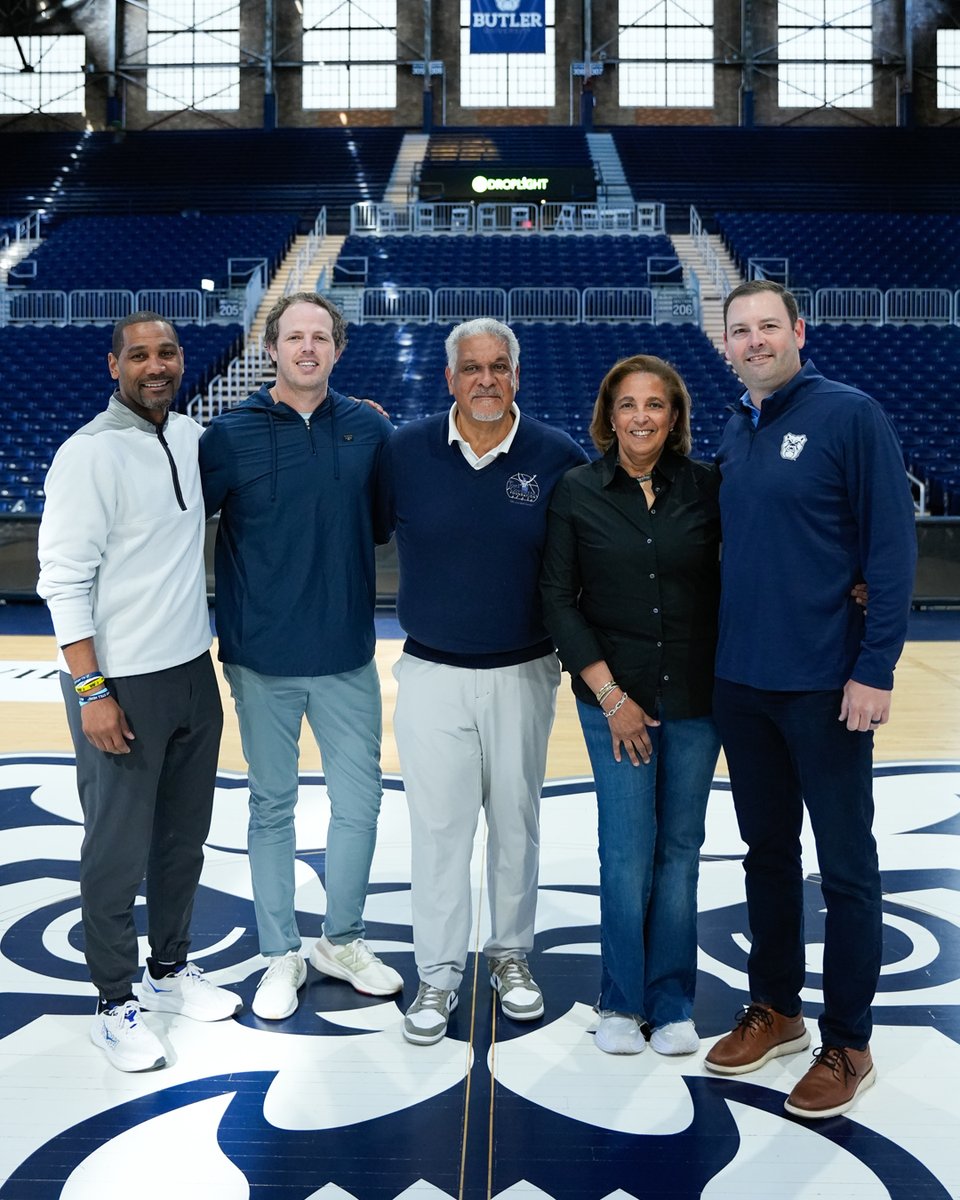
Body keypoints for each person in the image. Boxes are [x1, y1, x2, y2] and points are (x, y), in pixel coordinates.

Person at [703, 280, 917, 1119]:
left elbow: (892, 550)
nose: (755, 341)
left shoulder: (849, 414)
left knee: (848, 868)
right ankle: (779, 1008)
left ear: (798, 330)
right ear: (725, 347)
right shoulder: (735, 425)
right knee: (765, 857)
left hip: (827, 686)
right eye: (739, 331)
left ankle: (850, 1041)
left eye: (768, 327)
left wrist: (877, 666)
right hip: (741, 683)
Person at [37, 311, 241, 1073]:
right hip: (118, 682)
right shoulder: (86, 456)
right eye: (141, 355)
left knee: (183, 839)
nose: (157, 366)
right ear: (114, 365)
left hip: (192, 670)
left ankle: (169, 970)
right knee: (116, 850)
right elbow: (59, 579)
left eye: (168, 353)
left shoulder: (189, 438)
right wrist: (91, 689)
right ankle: (112, 1001)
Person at [381, 318, 589, 1046]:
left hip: (525, 671)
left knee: (515, 826)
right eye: (471, 368)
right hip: (431, 672)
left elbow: (593, 553)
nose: (485, 380)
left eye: (499, 367)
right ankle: (438, 974)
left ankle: (509, 955)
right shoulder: (403, 451)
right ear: (450, 378)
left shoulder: (556, 456)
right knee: (438, 832)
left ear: (517, 375)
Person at [198, 292, 402, 1021]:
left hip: (348, 653)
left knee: (360, 806)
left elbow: (380, 527)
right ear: (273, 348)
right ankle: (280, 951)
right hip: (260, 659)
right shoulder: (226, 435)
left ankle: (340, 939)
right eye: (294, 337)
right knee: (272, 806)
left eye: (321, 337)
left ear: (337, 350)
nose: (308, 348)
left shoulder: (369, 430)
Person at [540, 355, 721, 1058]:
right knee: (625, 853)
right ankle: (619, 1000)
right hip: (612, 701)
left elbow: (763, 555)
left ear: (674, 417)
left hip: (698, 700)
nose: (641, 417)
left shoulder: (708, 487)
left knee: (679, 852)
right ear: (607, 415)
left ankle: (672, 1001)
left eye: (656, 405)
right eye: (628, 405)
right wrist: (612, 696)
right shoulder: (577, 491)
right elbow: (558, 599)